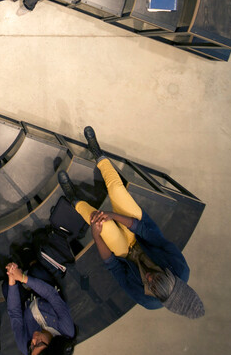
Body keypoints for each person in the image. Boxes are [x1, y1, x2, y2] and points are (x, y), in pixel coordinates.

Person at [57, 126, 205, 318]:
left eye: (151, 286)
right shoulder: (180, 268)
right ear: (170, 276)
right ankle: (99, 155)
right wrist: (114, 215)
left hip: (124, 253)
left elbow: (115, 268)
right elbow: (150, 234)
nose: (149, 278)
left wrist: (96, 235)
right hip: (141, 233)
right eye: (156, 277)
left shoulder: (148, 300)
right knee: (117, 191)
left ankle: (74, 201)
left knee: (101, 225)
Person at [3, 252, 75, 355]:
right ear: (53, 346)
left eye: (32, 347)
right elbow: (51, 295)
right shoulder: (67, 330)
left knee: (7, 287)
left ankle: (13, 267)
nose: (33, 340)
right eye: (39, 343)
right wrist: (23, 278)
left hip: (28, 304)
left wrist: (12, 280)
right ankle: (29, 257)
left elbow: (15, 314)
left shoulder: (25, 346)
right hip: (46, 297)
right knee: (36, 271)